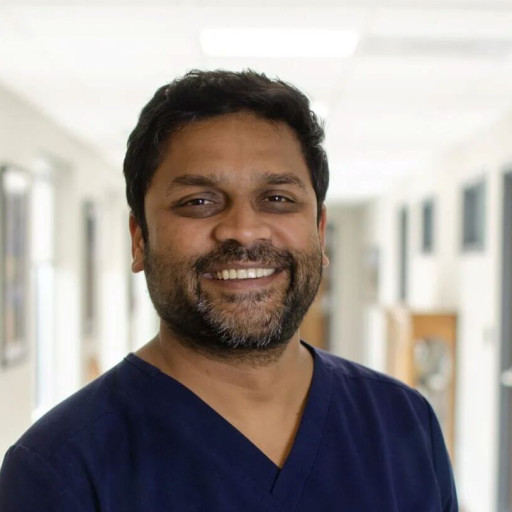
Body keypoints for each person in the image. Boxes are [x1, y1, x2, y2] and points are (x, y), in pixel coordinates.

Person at [0, 70, 457, 511]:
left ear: (319, 233)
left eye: (277, 199)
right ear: (140, 240)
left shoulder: (403, 423)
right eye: (198, 202)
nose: (244, 230)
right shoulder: (58, 470)